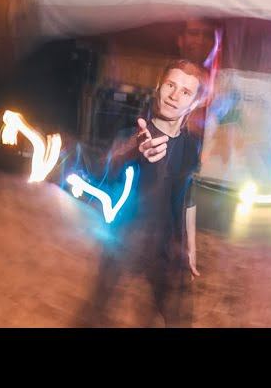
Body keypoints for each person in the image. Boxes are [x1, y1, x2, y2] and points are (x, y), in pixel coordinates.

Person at [79, 59, 207, 327]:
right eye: (171, 85)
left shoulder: (190, 145)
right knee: (96, 311)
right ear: (159, 86)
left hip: (167, 246)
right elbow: (104, 171)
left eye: (186, 92)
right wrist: (135, 150)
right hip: (127, 238)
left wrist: (191, 247)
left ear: (194, 102)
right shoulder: (135, 135)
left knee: (178, 319)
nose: (174, 96)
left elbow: (187, 195)